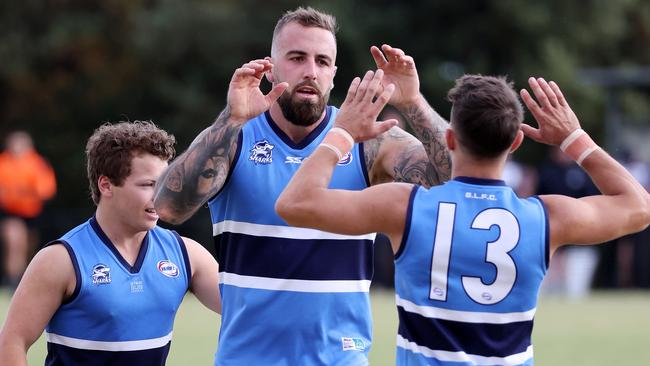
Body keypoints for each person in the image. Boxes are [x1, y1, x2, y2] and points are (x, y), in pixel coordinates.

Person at [276, 74, 650, 365]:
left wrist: (342, 132)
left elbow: (295, 203)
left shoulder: (404, 207)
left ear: (450, 139)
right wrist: (574, 138)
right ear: (516, 142)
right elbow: (639, 207)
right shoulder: (546, 218)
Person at [153, 6, 451, 365]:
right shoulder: (235, 136)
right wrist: (230, 119)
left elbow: (452, 185)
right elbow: (168, 207)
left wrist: (414, 102)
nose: (311, 71)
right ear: (271, 66)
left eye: (323, 62)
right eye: (297, 58)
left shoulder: (368, 139)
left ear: (334, 74)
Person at [0, 121, 221, 366]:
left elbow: (246, 308)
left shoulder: (185, 254)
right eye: (148, 185)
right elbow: (12, 342)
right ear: (106, 185)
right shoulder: (61, 259)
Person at [0, 131, 57, 289]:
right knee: (15, 242)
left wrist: (24, 191)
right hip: (10, 212)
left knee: (28, 247)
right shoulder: (3, 163)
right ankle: (12, 281)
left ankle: (24, 280)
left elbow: (46, 189)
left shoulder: (37, 164)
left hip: (32, 213)